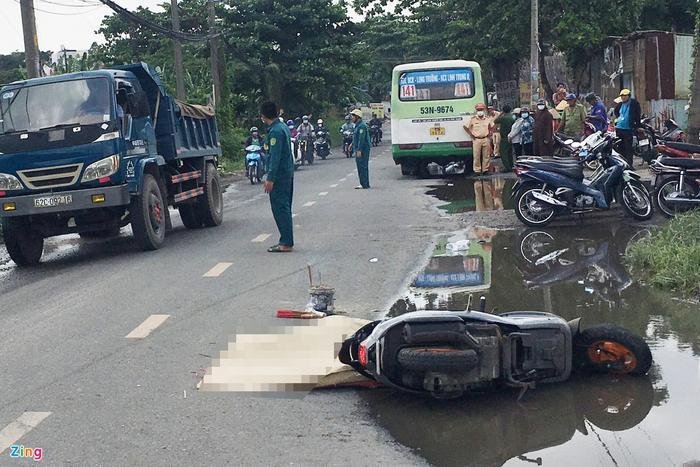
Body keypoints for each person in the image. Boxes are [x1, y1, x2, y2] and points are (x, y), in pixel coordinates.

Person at [260, 101, 294, 253]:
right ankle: (287, 240)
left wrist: (270, 178)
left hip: (279, 176)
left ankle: (286, 242)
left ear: (263, 116)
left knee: (280, 208)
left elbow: (275, 157)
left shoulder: (275, 131)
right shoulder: (283, 126)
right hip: (287, 172)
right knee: (285, 207)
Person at [613, 89, 641, 166]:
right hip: (619, 129)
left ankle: (629, 164)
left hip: (628, 129)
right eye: (622, 96)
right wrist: (619, 118)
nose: (623, 97)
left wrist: (638, 125)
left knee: (628, 148)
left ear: (629, 96)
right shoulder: (620, 104)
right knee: (620, 147)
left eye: (625, 96)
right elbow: (616, 112)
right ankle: (622, 164)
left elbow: (638, 115)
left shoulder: (634, 103)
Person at [464, 103, 494, 175]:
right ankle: (477, 171)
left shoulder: (487, 119)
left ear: (483, 110)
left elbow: (492, 126)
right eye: (478, 110)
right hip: (476, 139)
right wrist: (471, 135)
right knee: (476, 155)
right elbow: (465, 127)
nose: (480, 111)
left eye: (481, 109)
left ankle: (485, 170)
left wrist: (490, 133)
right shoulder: (473, 119)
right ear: (476, 110)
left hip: (486, 139)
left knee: (486, 155)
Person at [351, 109, 371, 189]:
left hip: (363, 149)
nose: (352, 118)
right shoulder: (357, 126)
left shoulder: (362, 126)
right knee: (360, 166)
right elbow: (356, 138)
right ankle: (363, 183)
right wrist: (351, 145)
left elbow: (361, 139)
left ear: (357, 117)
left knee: (363, 166)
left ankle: (365, 184)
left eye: (353, 116)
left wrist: (359, 150)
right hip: (358, 148)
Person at [493, 104, 514, 171]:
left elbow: (495, 121)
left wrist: (501, 114)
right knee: (510, 153)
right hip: (512, 137)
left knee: (503, 153)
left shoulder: (503, 117)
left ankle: (507, 168)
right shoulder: (512, 117)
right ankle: (511, 165)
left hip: (504, 138)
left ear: (503, 111)